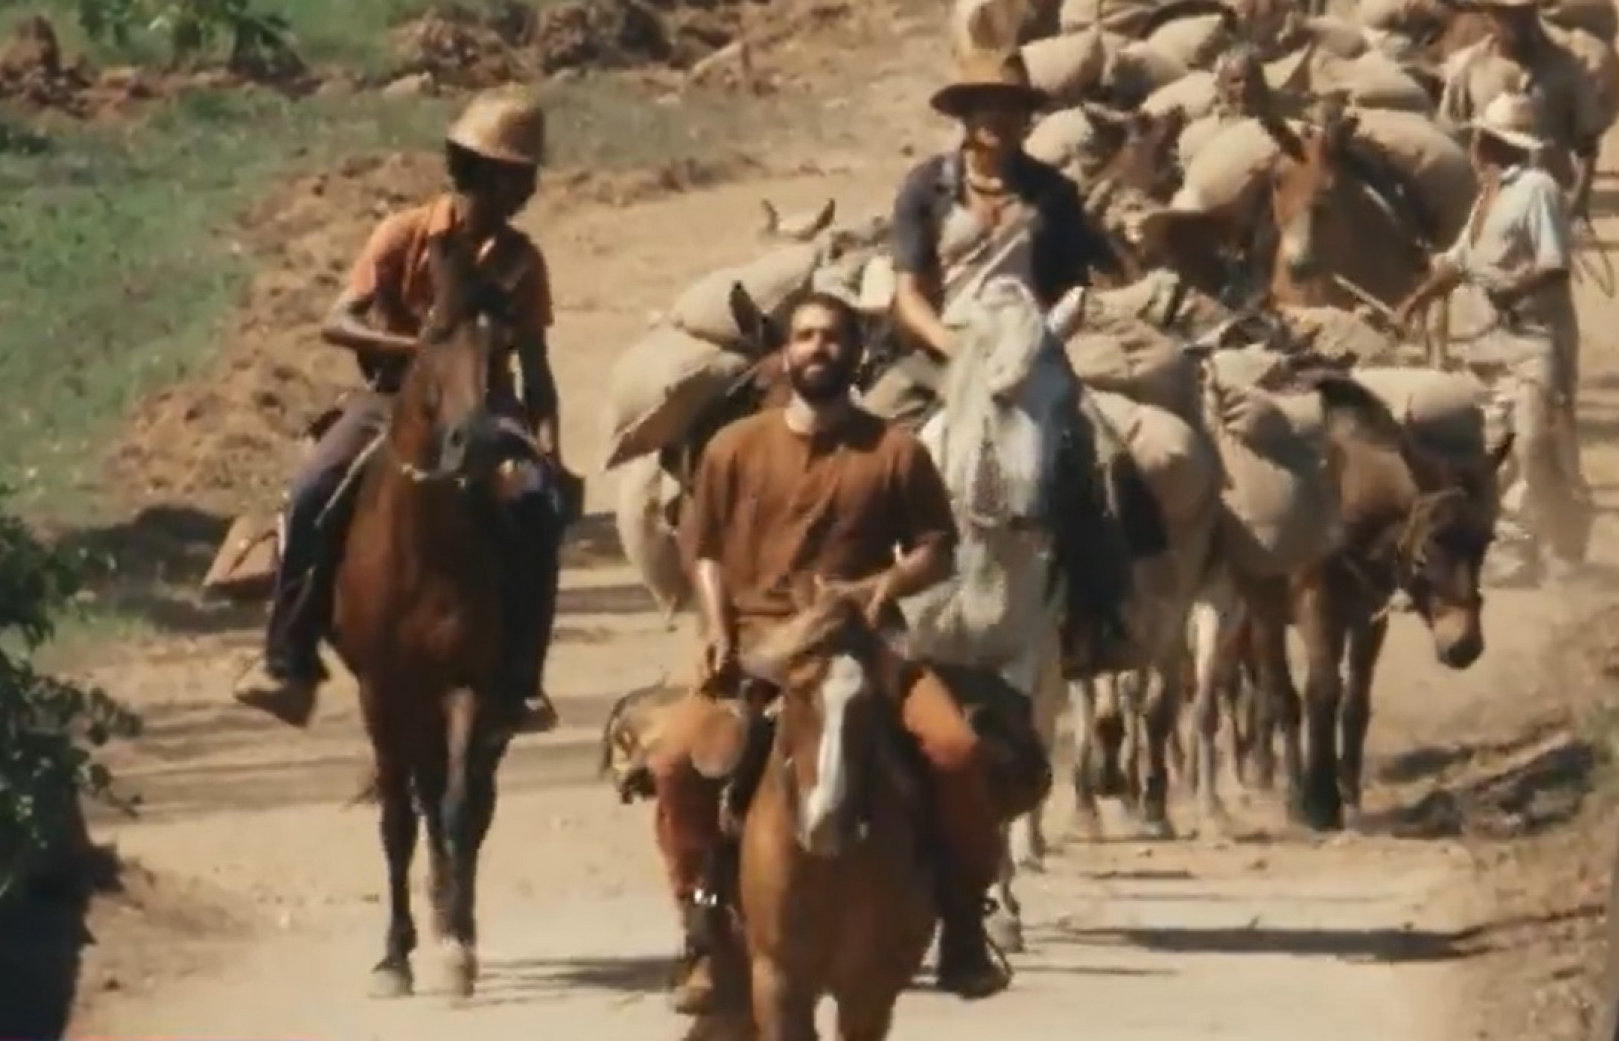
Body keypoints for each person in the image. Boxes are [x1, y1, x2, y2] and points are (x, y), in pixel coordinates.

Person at [651, 290, 1014, 1013]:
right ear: (787, 352)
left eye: (834, 338)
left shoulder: (894, 451)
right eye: (807, 336)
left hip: (863, 643)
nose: (819, 348)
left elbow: (937, 552)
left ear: (857, 354)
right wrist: (720, 626)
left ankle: (965, 920)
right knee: (673, 759)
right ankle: (699, 924)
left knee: (957, 750)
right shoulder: (734, 446)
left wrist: (884, 583)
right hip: (757, 646)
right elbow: (707, 549)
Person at [232, 86, 568, 733]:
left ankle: (521, 678)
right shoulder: (404, 233)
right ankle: (287, 658)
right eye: (515, 176)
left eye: (527, 177)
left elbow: (539, 372)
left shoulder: (524, 263)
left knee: (537, 509)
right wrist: (420, 349)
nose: (524, 191)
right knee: (311, 492)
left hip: (488, 411)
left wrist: (547, 443)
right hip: (388, 400)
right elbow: (338, 321)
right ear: (480, 171)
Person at [873, 46, 1164, 678]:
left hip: (1030, 350)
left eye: (1008, 106)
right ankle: (859, 605)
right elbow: (908, 293)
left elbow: (1068, 283)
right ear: (963, 113)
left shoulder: (1053, 193)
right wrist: (957, 351)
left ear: (1024, 117)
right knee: (868, 450)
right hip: (942, 349)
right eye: (983, 105)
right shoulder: (927, 187)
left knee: (1107, 458)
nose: (995, 118)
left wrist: (1056, 327)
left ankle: (1098, 617)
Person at [1395, 91, 1592, 585]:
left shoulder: (1537, 189)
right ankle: (1516, 549)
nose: (1475, 146)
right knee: (1493, 451)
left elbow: (1554, 265)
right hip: (1487, 347)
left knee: (1533, 444)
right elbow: (1460, 263)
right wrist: (1416, 301)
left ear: (1489, 141)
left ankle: (1554, 539)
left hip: (1534, 341)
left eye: (1480, 138)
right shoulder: (1487, 196)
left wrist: (1511, 292)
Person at [1435, 0, 1606, 219]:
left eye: (1525, 13)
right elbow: (1449, 135)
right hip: (1484, 202)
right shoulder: (1468, 67)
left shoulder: (1566, 69)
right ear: (1490, 16)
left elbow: (1588, 145)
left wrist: (1579, 199)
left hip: (1549, 200)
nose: (1517, 22)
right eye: (1506, 15)